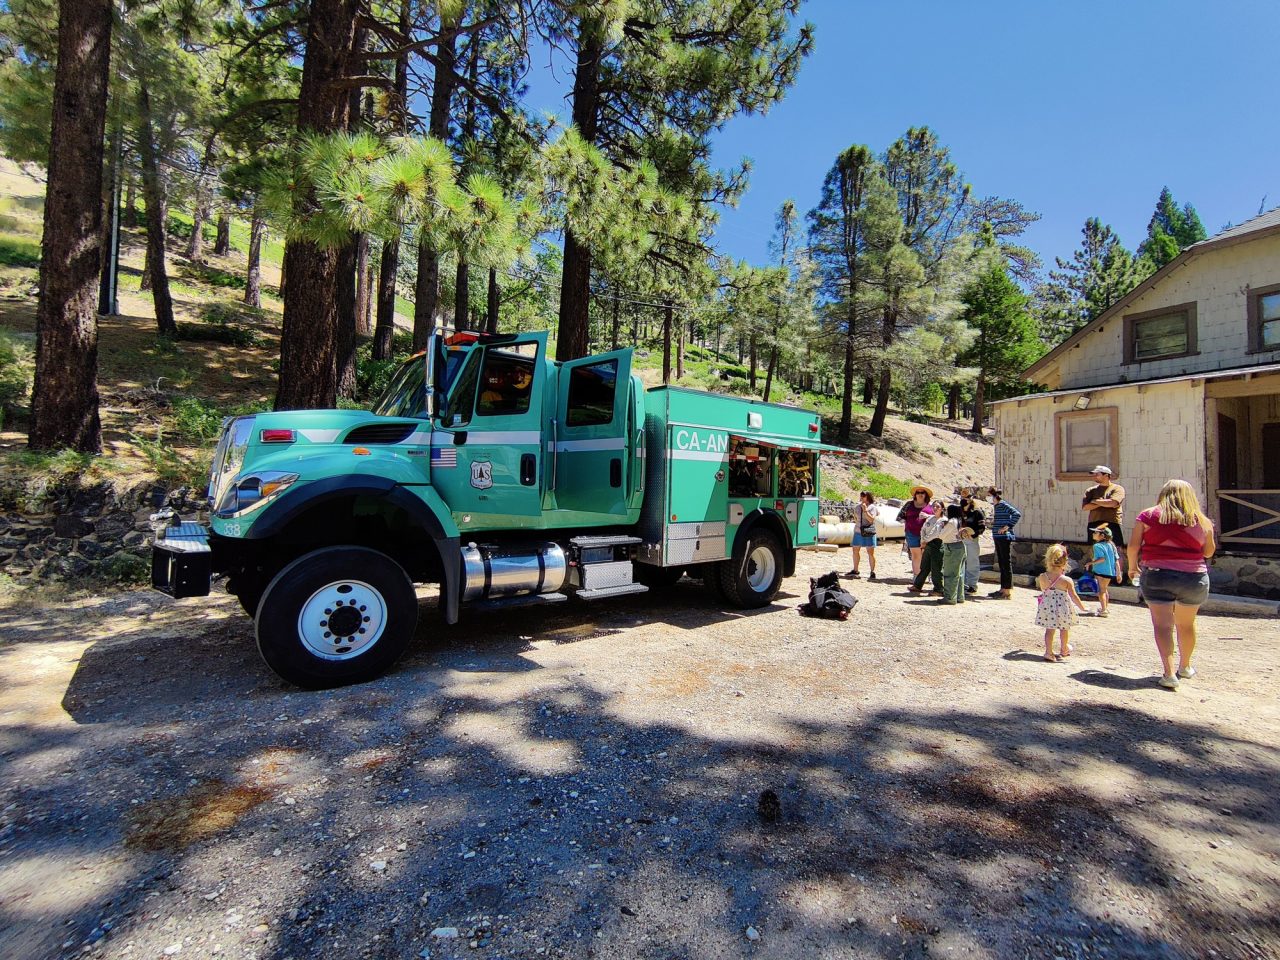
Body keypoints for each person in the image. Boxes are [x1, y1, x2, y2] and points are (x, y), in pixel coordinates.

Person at [1127, 479, 1216, 691]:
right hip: (1194, 577)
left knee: (1163, 625)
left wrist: (1132, 567)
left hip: (1158, 574)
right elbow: (1208, 552)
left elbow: (1133, 546)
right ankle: (1185, 666)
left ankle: (1168, 673)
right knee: (1186, 624)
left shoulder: (1148, 516)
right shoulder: (1202, 521)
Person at [1035, 543, 1089, 661]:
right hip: (1063, 608)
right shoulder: (1066, 580)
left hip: (1047, 607)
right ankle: (1064, 649)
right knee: (1064, 629)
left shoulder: (1042, 576)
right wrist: (1082, 607)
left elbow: (1044, 590)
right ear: (1065, 562)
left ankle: (1048, 652)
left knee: (1049, 630)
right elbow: (1073, 596)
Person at [1082, 466, 1126, 580]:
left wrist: (1096, 501)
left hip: (1112, 522)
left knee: (1116, 549)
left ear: (1106, 475)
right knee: (1096, 549)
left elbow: (1113, 503)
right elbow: (1086, 507)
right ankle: (1099, 575)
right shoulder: (1090, 490)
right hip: (1094, 522)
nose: (1094, 476)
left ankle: (1118, 576)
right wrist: (1103, 503)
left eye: (1097, 474)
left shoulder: (1117, 489)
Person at [988, 487, 1022, 599]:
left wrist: (1007, 527)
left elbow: (1016, 514)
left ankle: (1007, 591)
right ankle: (1003, 589)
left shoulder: (1003, 504)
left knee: (1006, 564)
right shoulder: (997, 506)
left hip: (1004, 537)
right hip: (998, 536)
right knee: (1002, 563)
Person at [909, 499, 947, 595]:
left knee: (936, 568)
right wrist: (923, 540)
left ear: (942, 508)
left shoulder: (944, 520)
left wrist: (925, 540)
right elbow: (923, 529)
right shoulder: (930, 519)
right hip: (928, 544)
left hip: (937, 545)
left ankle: (938, 589)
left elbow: (936, 533)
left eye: (938, 506)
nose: (935, 508)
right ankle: (918, 585)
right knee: (924, 566)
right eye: (933, 506)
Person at [1084, 525, 1121, 616]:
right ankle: (1105, 608)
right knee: (1104, 590)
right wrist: (1119, 573)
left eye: (1096, 532)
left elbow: (1102, 559)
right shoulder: (1111, 545)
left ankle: (1104, 610)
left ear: (1102, 536)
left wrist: (1090, 563)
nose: (1093, 534)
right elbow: (1116, 560)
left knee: (1101, 591)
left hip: (1101, 571)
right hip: (1110, 572)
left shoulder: (1097, 546)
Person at [900, 486, 934, 577]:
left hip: (926, 534)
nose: (920, 494)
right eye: (918, 493)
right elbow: (900, 517)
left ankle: (925, 575)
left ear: (925, 495)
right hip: (911, 533)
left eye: (922, 493)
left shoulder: (931, 506)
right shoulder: (909, 504)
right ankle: (916, 577)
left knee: (924, 556)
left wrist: (928, 516)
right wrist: (907, 524)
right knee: (916, 556)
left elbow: (937, 519)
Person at [937, 504, 967, 605]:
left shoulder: (951, 522)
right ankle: (959, 596)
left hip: (952, 548)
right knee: (959, 573)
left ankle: (949, 597)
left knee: (950, 573)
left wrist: (941, 527)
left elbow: (941, 536)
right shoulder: (959, 521)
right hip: (960, 547)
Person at [846, 491, 879, 580]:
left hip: (869, 532)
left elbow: (871, 519)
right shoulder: (857, 507)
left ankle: (872, 571)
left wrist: (865, 510)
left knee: (870, 552)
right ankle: (855, 570)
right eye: (861, 496)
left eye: (863, 496)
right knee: (855, 550)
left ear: (868, 497)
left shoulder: (872, 508)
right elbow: (856, 518)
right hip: (858, 531)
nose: (862, 498)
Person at [959, 493, 986, 595]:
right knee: (961, 562)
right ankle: (962, 584)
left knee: (972, 562)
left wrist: (973, 535)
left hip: (972, 540)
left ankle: (972, 585)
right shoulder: (959, 511)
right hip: (960, 539)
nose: (964, 499)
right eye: (963, 497)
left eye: (967, 497)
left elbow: (982, 527)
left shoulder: (977, 512)